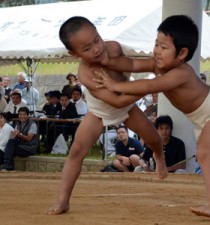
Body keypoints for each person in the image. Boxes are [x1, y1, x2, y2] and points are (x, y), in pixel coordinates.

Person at [95, 15, 210, 220]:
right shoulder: (160, 65)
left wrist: (114, 86)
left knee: (204, 154)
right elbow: (131, 64)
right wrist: (108, 61)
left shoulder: (181, 73)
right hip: (208, 117)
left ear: (182, 53)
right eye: (156, 44)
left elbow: (149, 86)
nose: (157, 50)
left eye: (164, 47)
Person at [47, 16, 167, 215]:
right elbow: (115, 101)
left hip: (127, 103)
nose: (96, 48)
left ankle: (160, 157)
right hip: (101, 109)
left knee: (154, 139)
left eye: (96, 39)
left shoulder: (113, 47)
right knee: (76, 152)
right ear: (74, 53)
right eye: (86, 48)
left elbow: (132, 66)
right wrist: (152, 86)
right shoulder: (86, 74)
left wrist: (158, 68)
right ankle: (63, 200)